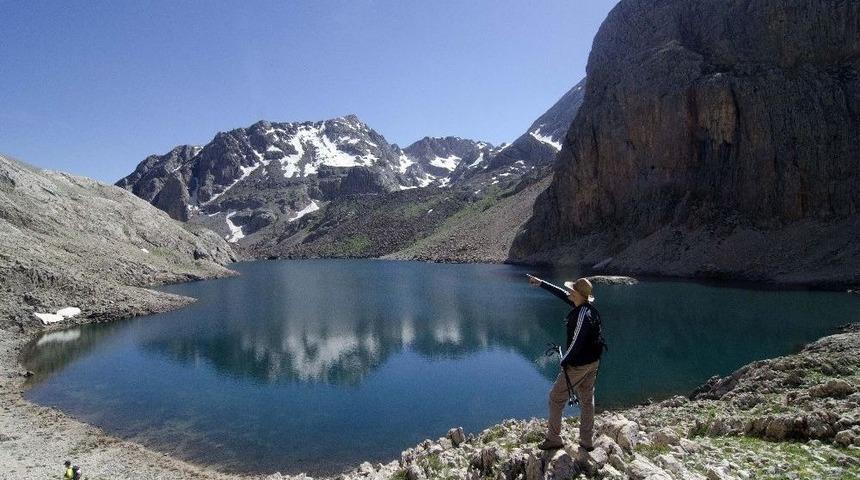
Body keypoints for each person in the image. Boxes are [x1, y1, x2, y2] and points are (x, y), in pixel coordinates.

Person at [528, 274, 605, 451]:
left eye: (572, 290)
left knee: (555, 398)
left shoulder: (581, 316)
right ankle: (586, 441)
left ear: (577, 294)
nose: (569, 292)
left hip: (578, 365)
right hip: (593, 362)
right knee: (587, 399)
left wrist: (565, 360)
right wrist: (542, 283)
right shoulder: (587, 308)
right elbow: (562, 294)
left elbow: (576, 341)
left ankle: (554, 438)